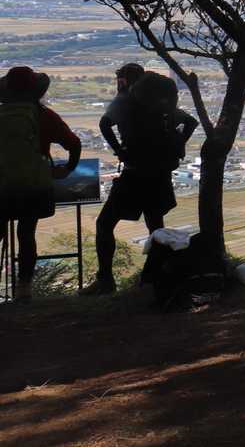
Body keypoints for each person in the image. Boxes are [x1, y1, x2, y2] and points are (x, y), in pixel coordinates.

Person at [86, 65, 197, 294]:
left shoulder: (125, 100)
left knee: (104, 224)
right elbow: (191, 123)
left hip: (135, 173)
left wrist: (120, 150)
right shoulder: (160, 102)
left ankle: (105, 279)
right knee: (155, 225)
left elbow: (104, 124)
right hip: (160, 174)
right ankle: (155, 277)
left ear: (124, 81)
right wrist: (178, 143)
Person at [0, 66, 81, 303]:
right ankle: (24, 288)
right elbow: (74, 144)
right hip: (34, 186)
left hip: (2, 187)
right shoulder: (44, 116)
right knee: (27, 234)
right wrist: (67, 169)